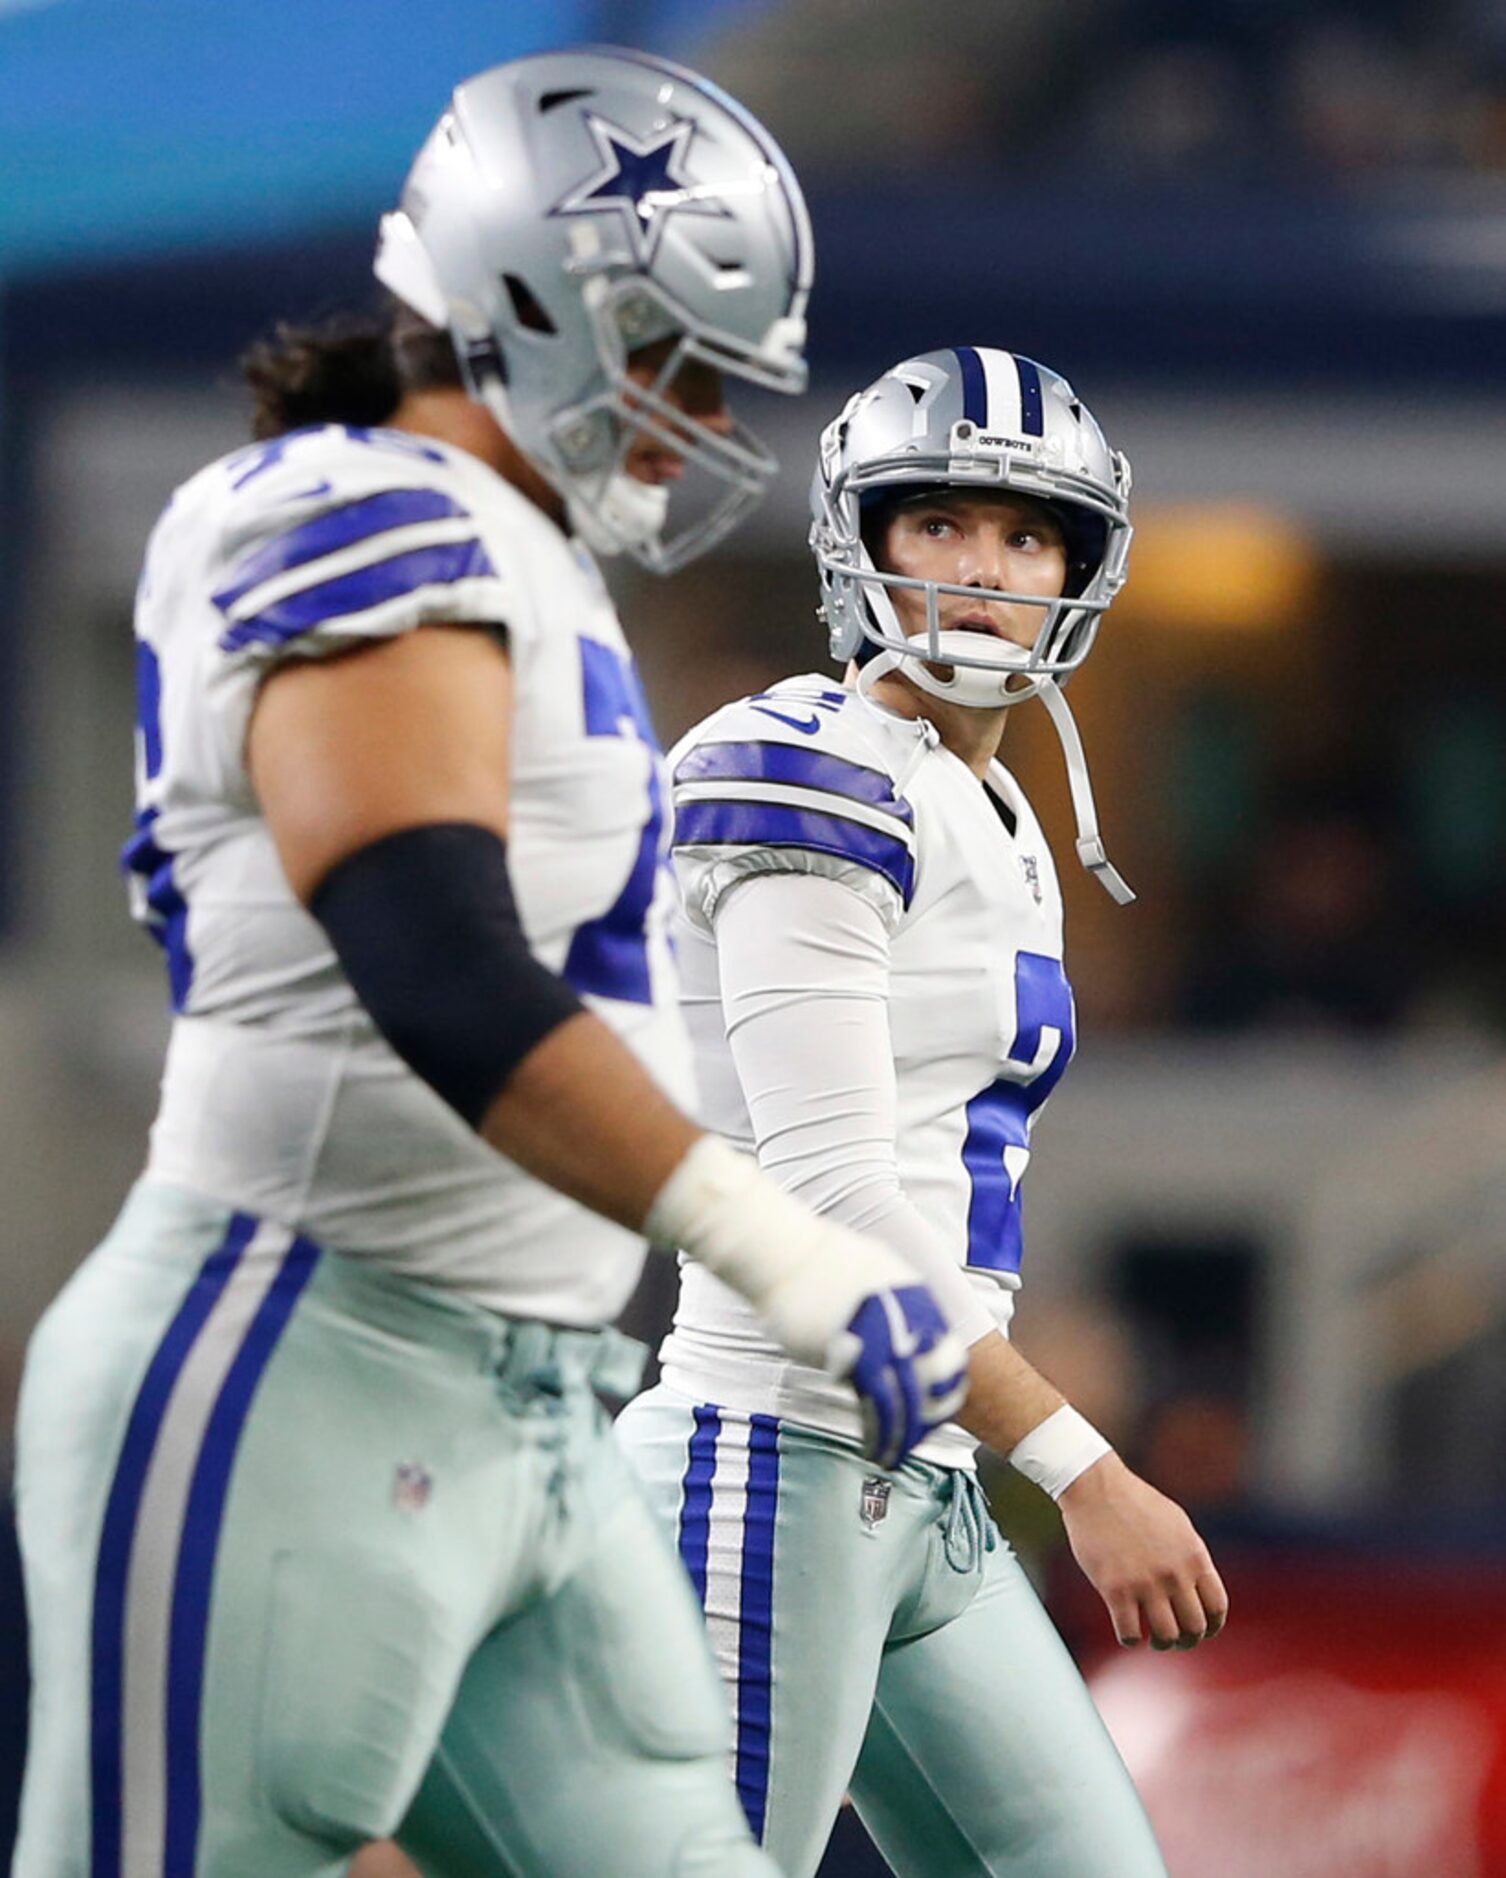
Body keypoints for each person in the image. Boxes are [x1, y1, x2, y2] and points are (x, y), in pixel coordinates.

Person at [11, 53, 970, 1878]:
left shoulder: (514, 557)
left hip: (529, 1404)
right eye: (673, 363)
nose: (694, 424)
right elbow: (435, 965)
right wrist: (786, 1250)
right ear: (532, 304)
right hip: (292, 1349)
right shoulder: (359, 508)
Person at [616, 347, 1229, 1877]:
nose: (983, 569)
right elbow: (831, 1199)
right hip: (775, 1449)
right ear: (862, 540)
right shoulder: (805, 765)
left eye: (1027, 536)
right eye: (941, 522)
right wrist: (1084, 1465)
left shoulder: (1000, 806)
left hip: (917, 1480)